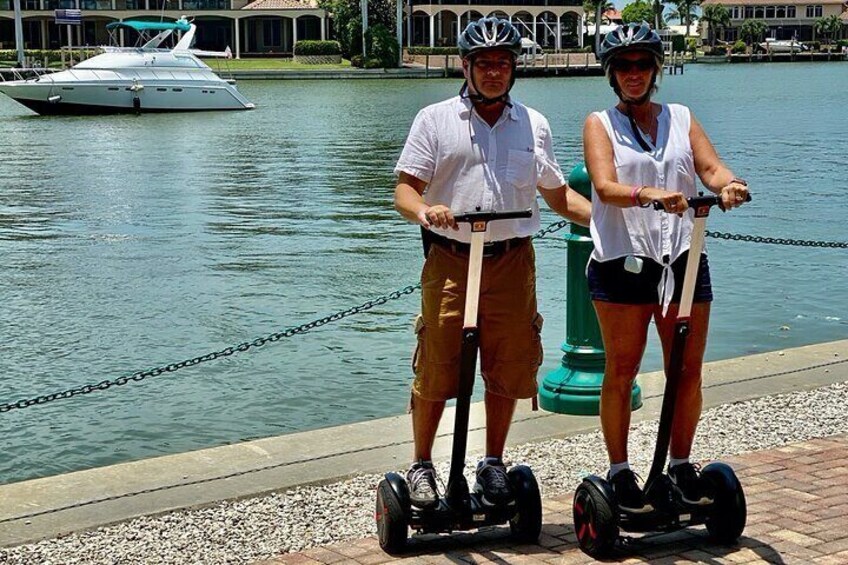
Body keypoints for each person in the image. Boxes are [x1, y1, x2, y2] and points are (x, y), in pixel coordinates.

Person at [393, 17, 591, 509]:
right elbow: (404, 190)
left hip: (511, 261)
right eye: (484, 63)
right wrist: (424, 210)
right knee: (438, 362)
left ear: (514, 67)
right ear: (466, 66)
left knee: (510, 362)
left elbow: (558, 196)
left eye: (503, 63)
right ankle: (421, 464)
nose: (494, 72)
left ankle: (493, 462)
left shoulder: (533, 123)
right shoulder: (434, 119)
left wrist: (613, 224)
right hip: (451, 258)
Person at [582, 22, 750, 513]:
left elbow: (711, 167)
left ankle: (680, 464)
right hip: (623, 261)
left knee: (688, 370)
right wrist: (647, 194)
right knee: (622, 369)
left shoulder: (681, 116)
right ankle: (619, 471)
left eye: (642, 65)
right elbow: (604, 185)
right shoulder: (600, 123)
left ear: (656, 69)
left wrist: (730, 184)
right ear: (612, 74)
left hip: (683, 257)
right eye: (623, 66)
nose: (634, 74)